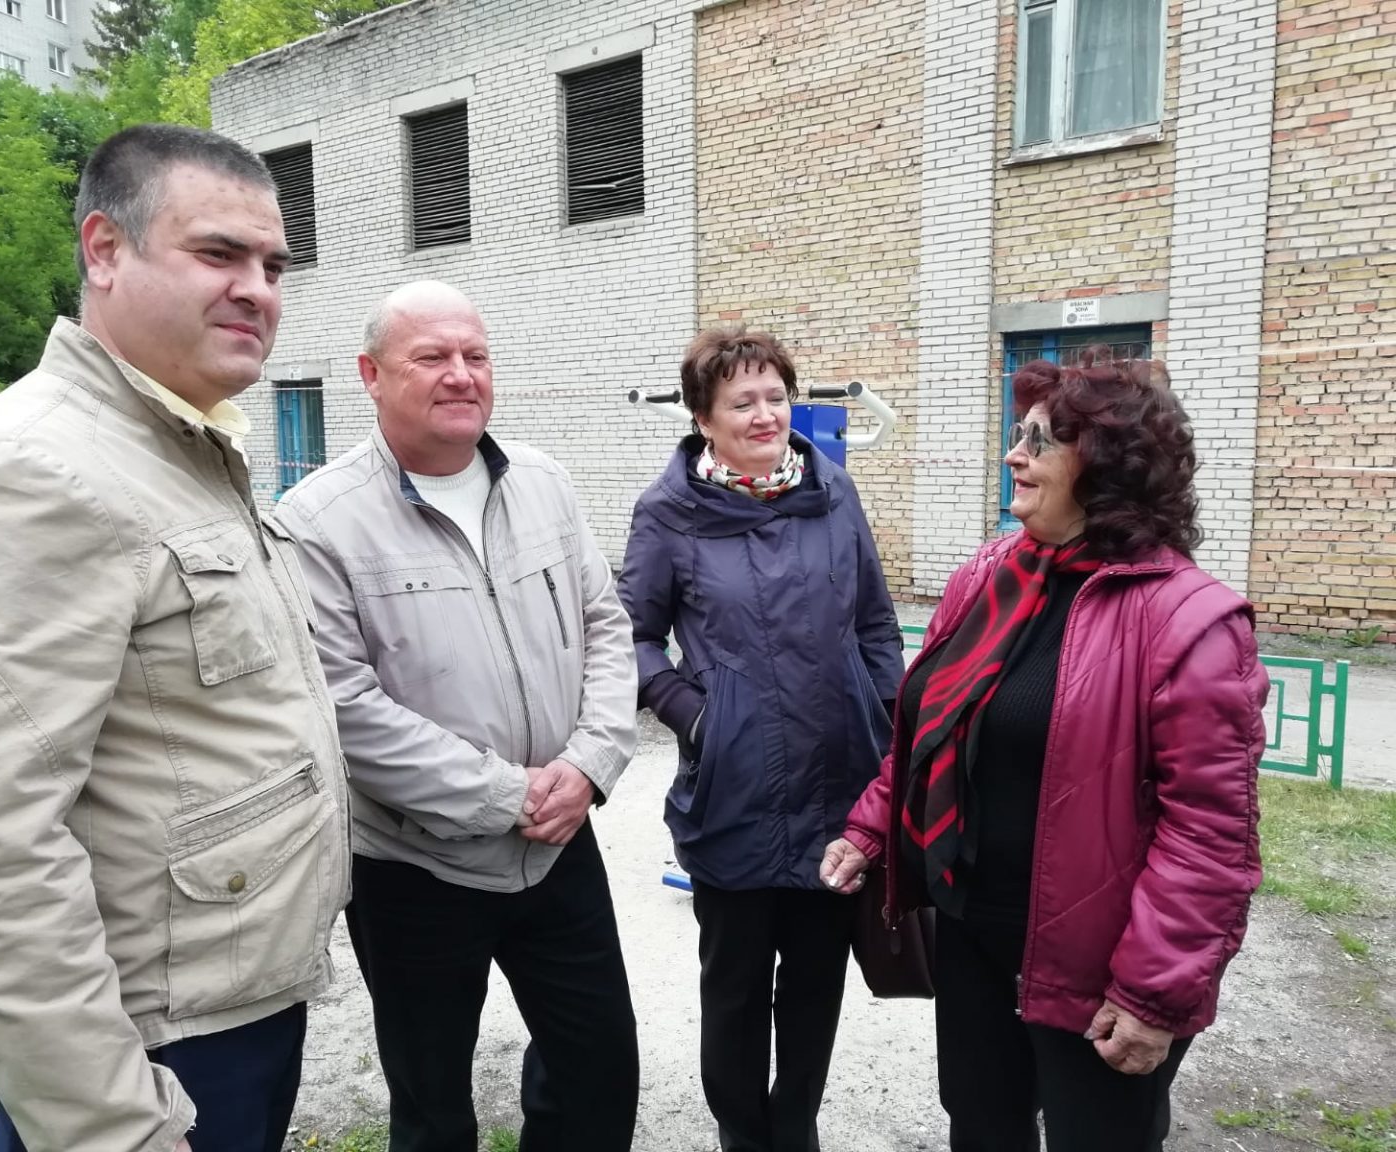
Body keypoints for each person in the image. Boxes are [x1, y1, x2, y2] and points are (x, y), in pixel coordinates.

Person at [0, 123, 351, 1152]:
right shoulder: (23, 472)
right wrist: (109, 1125)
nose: (257, 289)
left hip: (229, 1007)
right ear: (104, 250)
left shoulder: (183, 449)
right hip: (151, 1050)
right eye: (219, 253)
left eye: (273, 266)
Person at [821, 348, 1269, 1152]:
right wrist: (870, 826)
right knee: (981, 1125)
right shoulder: (992, 573)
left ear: (1108, 467)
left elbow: (1209, 838)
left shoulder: (1191, 622)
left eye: (1040, 441)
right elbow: (933, 730)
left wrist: (1153, 994)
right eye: (1017, 434)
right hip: (973, 932)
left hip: (1094, 963)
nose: (1013, 455)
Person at [271, 279, 640, 1152]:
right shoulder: (317, 522)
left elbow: (606, 626)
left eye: (475, 355)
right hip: (414, 869)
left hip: (558, 847)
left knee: (598, 1075)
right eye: (432, 356)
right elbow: (344, 706)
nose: (461, 374)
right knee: (433, 1106)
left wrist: (589, 765)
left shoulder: (544, 484)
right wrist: (508, 796)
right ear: (371, 374)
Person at [616, 327, 904, 1152]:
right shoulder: (669, 512)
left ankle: (796, 1128)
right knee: (736, 992)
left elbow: (875, 623)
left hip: (837, 786)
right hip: (734, 791)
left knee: (816, 985)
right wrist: (695, 714)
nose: (766, 414)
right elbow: (631, 637)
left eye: (776, 396)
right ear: (703, 418)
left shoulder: (833, 491)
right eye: (742, 401)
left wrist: (891, 730)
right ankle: (743, 1135)